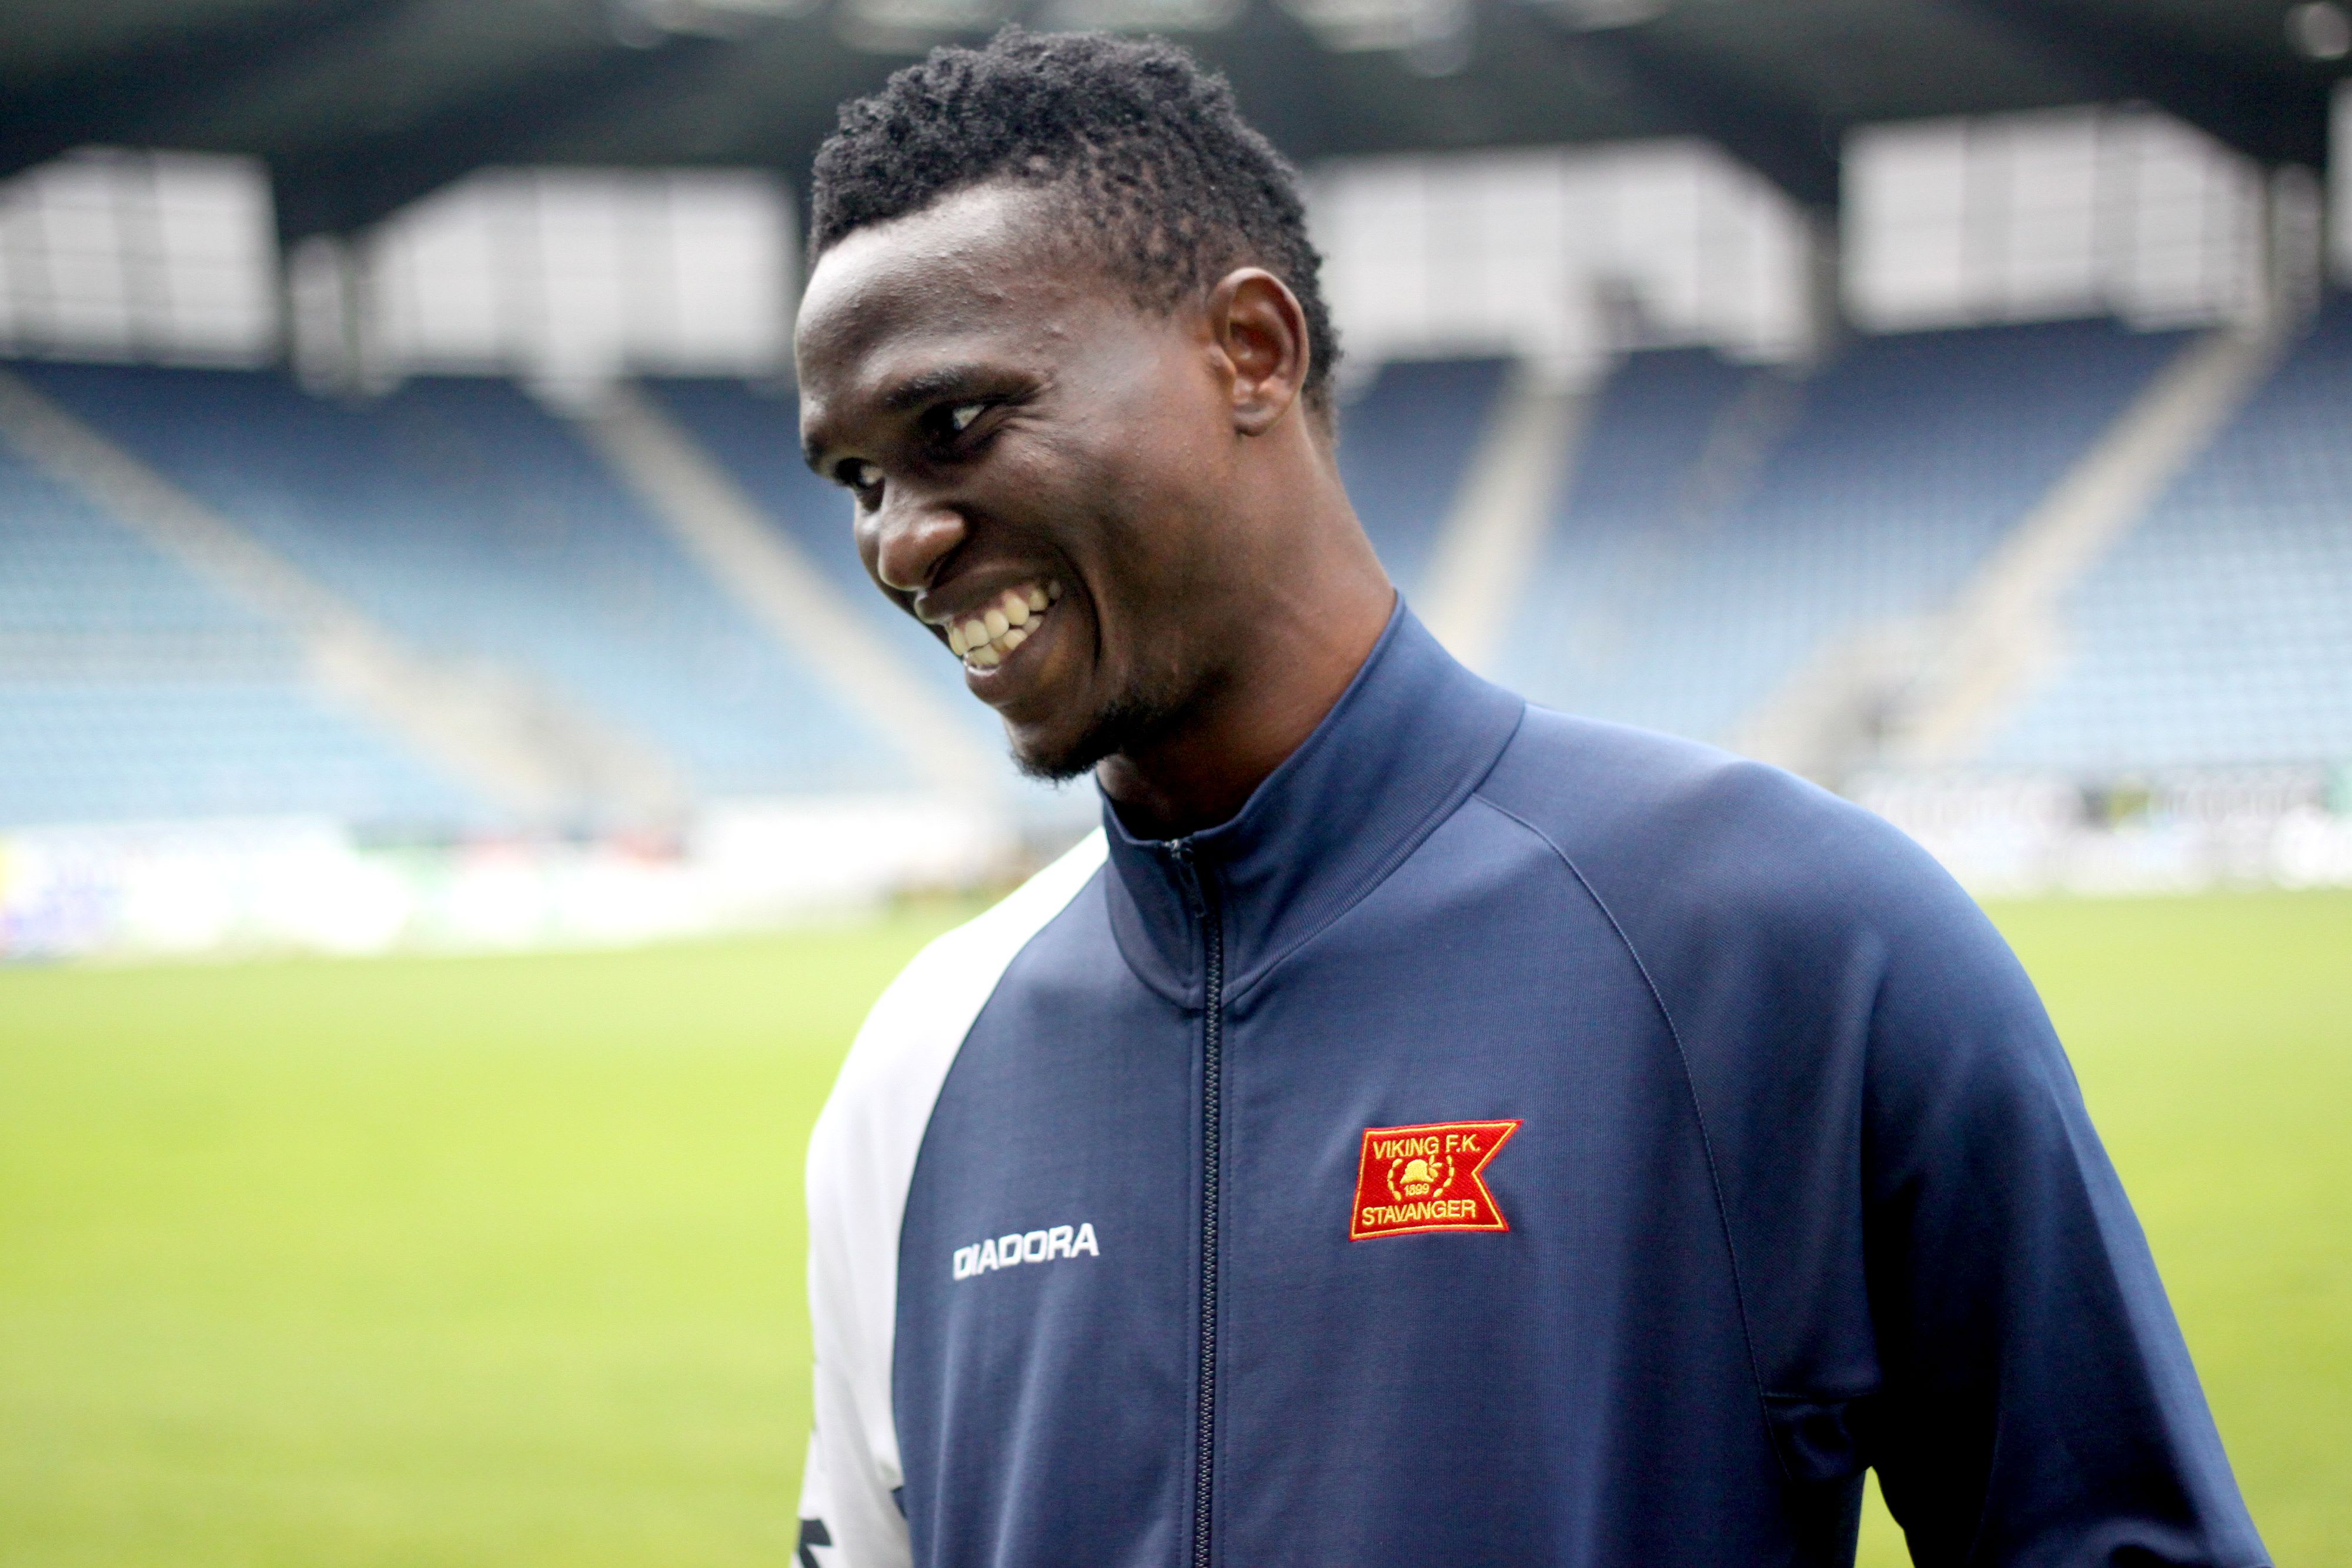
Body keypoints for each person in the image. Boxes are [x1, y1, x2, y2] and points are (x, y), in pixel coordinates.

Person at [789, 28, 2265, 1568]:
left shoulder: (1789, 938)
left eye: (953, 427)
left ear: (1251, 352)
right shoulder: (917, 1067)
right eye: (858, 480)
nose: (901, 543)